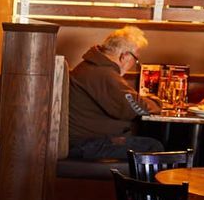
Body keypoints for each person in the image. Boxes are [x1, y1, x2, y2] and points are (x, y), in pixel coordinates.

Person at [66, 25, 165, 160]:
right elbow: (137, 108)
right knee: (153, 147)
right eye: (135, 60)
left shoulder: (94, 67)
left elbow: (128, 100)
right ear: (125, 56)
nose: (133, 64)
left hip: (86, 141)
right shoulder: (103, 73)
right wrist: (158, 102)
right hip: (85, 144)